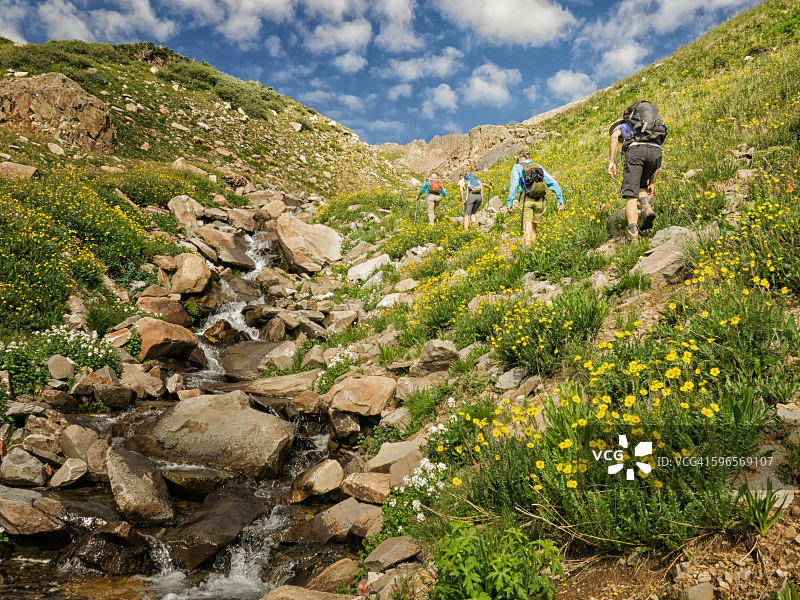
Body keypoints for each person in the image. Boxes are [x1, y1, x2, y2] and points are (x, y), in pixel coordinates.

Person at [607, 100, 665, 241]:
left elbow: (614, 137)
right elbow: (656, 163)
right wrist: (653, 182)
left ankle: (632, 235)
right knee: (641, 185)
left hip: (637, 150)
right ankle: (646, 207)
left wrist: (611, 161)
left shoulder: (622, 126)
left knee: (630, 195)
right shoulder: (649, 128)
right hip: (656, 152)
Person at [506, 151, 564, 246]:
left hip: (527, 199)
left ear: (519, 159)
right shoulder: (538, 166)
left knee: (527, 229)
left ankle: (526, 255)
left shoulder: (517, 167)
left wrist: (510, 202)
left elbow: (514, 185)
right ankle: (534, 251)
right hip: (540, 200)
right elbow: (552, 182)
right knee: (533, 229)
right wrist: (560, 199)